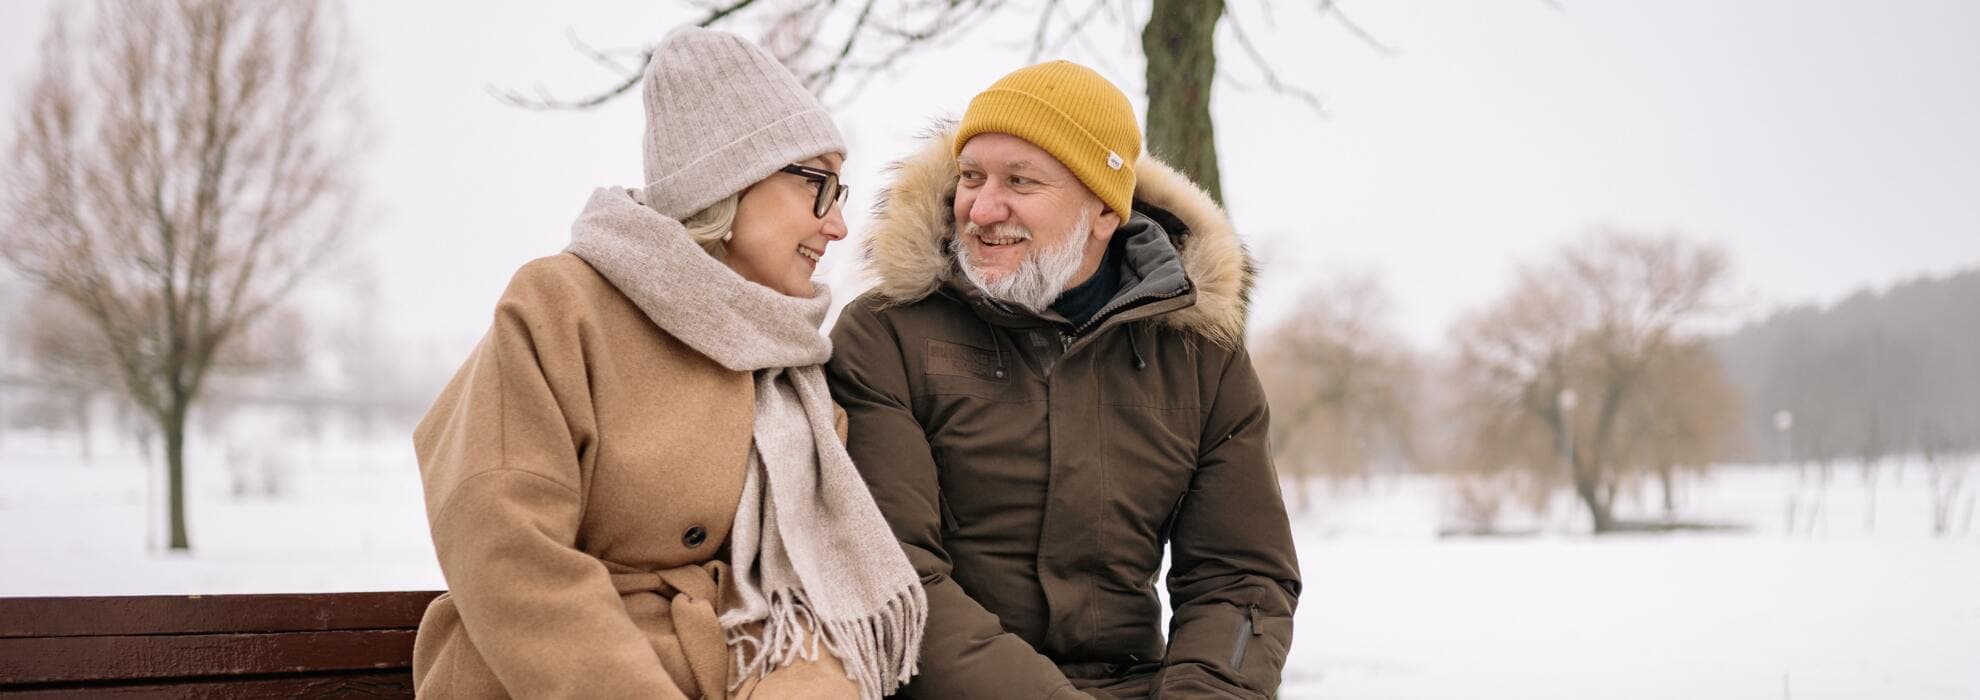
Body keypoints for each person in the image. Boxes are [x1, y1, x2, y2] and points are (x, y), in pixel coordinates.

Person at [409, 27, 924, 700]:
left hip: (730, 666)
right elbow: (505, 551)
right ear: (732, 182)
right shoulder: (562, 307)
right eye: (817, 186)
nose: (837, 225)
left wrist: (811, 681)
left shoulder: (788, 363)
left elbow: (803, 592)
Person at [825, 60, 1300, 699]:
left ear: (1105, 211)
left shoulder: (1201, 358)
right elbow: (895, 575)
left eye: (1021, 181)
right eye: (970, 177)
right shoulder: (885, 336)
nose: (983, 208)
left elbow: (1240, 578)